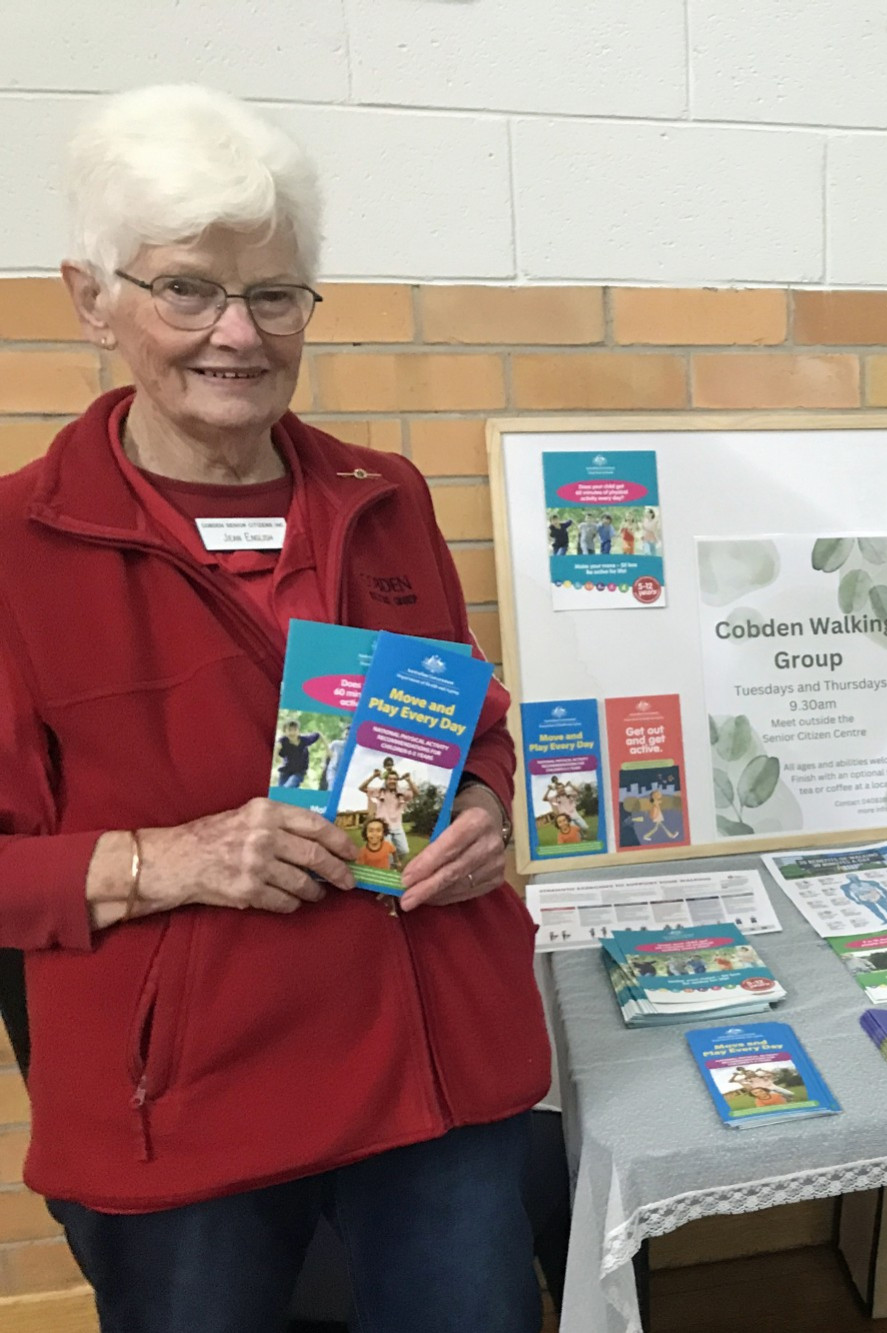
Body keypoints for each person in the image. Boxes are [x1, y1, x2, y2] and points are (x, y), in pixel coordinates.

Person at [1, 85, 547, 1333]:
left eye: (276, 295)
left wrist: (481, 800)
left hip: (437, 1083)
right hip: (189, 1113)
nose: (237, 334)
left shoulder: (383, 494)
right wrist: (165, 859)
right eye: (187, 288)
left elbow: (478, 723)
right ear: (92, 300)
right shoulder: (15, 548)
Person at [359, 758, 417, 860]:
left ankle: (394, 862)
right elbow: (361, 788)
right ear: (386, 780)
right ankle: (387, 868)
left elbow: (416, 793)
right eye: (390, 779)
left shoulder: (401, 793)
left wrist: (409, 780)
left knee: (404, 850)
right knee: (387, 851)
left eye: (394, 779)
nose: (392, 781)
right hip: (384, 825)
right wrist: (374, 776)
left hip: (397, 826)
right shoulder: (380, 791)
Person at [272, 718, 321, 789]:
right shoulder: (283, 741)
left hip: (299, 772)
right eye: (289, 730)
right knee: (281, 791)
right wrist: (275, 758)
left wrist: (328, 749)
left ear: (298, 731)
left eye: (295, 730)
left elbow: (318, 734)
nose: (292, 733)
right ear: (285, 732)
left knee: (288, 786)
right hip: (285, 771)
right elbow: (277, 747)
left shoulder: (305, 740)